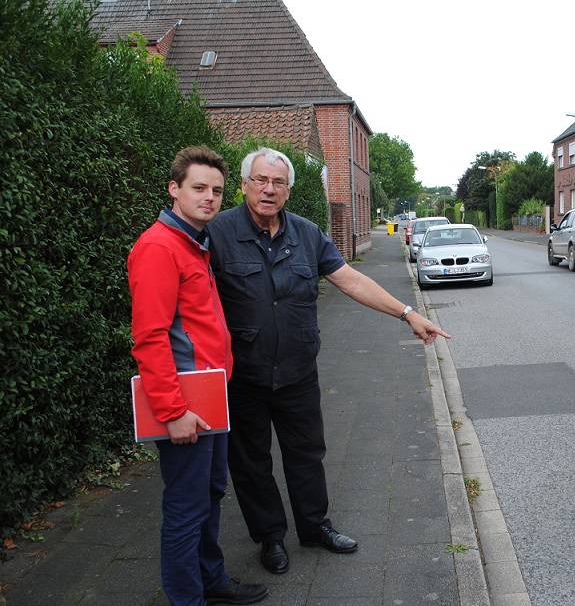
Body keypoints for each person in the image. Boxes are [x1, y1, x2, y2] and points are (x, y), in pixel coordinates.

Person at [208, 147, 450, 575]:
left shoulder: (305, 233)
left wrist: (408, 313)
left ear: (289, 190)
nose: (269, 189)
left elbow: (350, 279)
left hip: (298, 371)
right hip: (241, 375)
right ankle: (270, 537)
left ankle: (315, 527)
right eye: (260, 180)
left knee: (307, 454)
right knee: (250, 462)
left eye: (278, 182)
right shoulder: (218, 233)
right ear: (244, 185)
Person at [128, 146, 268, 605]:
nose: (209, 198)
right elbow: (150, 339)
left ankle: (212, 581)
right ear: (174, 189)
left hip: (211, 396)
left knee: (209, 495)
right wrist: (173, 411)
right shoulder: (157, 247)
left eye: (217, 191)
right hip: (186, 403)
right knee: (186, 509)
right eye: (198, 188)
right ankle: (190, 598)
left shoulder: (195, 242)